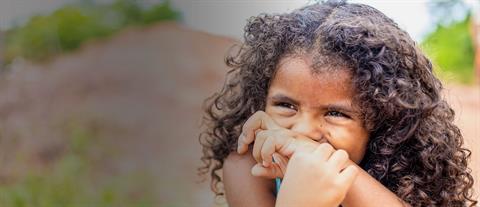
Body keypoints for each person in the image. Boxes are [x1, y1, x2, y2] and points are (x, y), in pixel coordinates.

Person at [198, 1, 477, 206]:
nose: (303, 131)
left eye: (335, 113)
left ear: (384, 122)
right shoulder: (247, 168)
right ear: (261, 101)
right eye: (286, 106)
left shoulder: (392, 179)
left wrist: (342, 176)